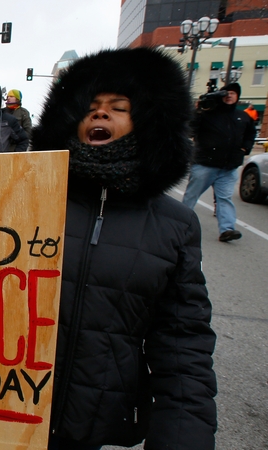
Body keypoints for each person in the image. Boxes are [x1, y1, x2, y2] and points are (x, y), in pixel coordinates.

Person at [31, 47, 216, 450]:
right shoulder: (25, 199)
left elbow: (183, 342)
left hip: (89, 426)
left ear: (148, 121)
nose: (100, 114)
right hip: (7, 412)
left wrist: (182, 436)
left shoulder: (175, 225)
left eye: (118, 107)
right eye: (91, 107)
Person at [182, 82, 256, 242]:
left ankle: (227, 229)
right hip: (205, 164)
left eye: (233, 93)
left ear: (238, 97)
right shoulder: (208, 113)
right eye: (226, 93)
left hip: (228, 168)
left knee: (224, 198)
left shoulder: (243, 117)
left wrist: (245, 148)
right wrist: (199, 110)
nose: (229, 95)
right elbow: (190, 130)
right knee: (191, 195)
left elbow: (251, 134)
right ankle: (180, 224)